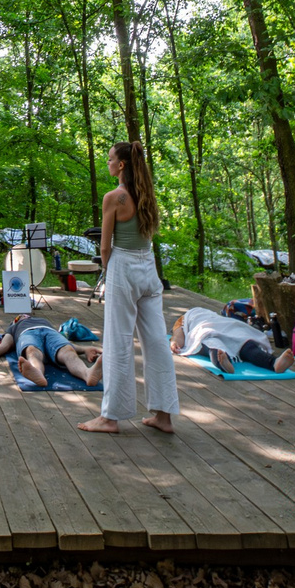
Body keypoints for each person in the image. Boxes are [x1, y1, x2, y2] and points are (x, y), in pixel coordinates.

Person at [79, 140, 175, 435]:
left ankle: (110, 418)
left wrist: (108, 272)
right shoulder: (147, 195)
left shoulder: (115, 198)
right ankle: (164, 415)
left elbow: (105, 247)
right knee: (157, 342)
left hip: (124, 267)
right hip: (149, 270)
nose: (107, 163)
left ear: (121, 165)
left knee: (118, 342)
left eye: (110, 160)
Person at [0, 320, 102, 389]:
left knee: (68, 351)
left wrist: (85, 349)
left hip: (50, 332)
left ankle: (87, 374)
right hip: (28, 334)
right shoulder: (14, 327)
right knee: (32, 351)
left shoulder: (44, 320)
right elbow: (4, 345)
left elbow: (69, 343)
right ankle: (37, 373)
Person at [171, 306, 295, 376]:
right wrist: (174, 343)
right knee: (218, 345)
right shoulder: (185, 320)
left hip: (221, 326)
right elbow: (178, 337)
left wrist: (175, 343)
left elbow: (178, 337)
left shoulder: (197, 316)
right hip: (205, 330)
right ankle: (225, 364)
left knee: (242, 342)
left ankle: (274, 363)